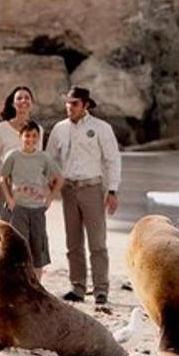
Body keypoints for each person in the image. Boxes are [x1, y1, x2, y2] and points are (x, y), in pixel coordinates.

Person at [45, 85, 121, 305]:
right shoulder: (59, 129)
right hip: (68, 189)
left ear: (86, 105)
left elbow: (112, 159)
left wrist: (113, 190)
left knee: (97, 242)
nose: (70, 107)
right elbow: (50, 159)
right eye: (68, 103)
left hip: (92, 188)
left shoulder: (101, 128)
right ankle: (77, 287)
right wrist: (51, 185)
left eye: (75, 103)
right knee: (73, 243)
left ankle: (100, 290)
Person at [0, 120, 62, 280]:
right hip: (19, 207)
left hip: (37, 209)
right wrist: (10, 199)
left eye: (34, 136)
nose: (30, 139)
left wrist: (49, 200)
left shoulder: (43, 158)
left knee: (38, 246)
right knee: (19, 246)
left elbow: (59, 179)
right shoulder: (13, 156)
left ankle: (37, 283)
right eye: (27, 136)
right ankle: (20, 282)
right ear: (21, 136)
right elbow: (3, 178)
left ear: (39, 138)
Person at [0, 85, 42, 223]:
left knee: (28, 230)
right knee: (8, 228)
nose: (23, 101)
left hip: (30, 187)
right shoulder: (2, 128)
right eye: (19, 98)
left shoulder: (38, 129)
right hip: (6, 185)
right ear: (13, 103)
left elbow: (39, 160)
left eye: (27, 98)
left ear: (32, 104)